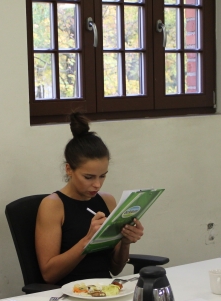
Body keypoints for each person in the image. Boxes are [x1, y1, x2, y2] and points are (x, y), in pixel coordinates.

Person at [35, 113, 144, 286]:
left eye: (103, 176)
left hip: (104, 289)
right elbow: (49, 274)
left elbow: (115, 269)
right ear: (69, 170)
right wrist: (88, 241)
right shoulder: (53, 205)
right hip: (69, 292)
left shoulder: (107, 201)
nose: (97, 184)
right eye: (88, 177)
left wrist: (125, 242)